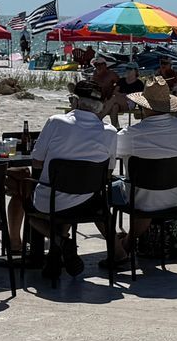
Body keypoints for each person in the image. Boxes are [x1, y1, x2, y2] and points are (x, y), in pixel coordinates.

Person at [12, 81, 118, 269]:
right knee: (70, 196)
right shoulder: (110, 132)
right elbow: (108, 171)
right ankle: (59, 250)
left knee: (27, 200)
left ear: (75, 101)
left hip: (53, 200)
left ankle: (59, 241)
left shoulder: (56, 122)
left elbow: (36, 161)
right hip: (88, 200)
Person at [110, 77, 177, 267]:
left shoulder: (132, 134)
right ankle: (128, 241)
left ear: (145, 107)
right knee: (146, 186)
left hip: (141, 199)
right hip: (176, 198)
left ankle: (121, 247)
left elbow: (109, 150)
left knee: (106, 189)